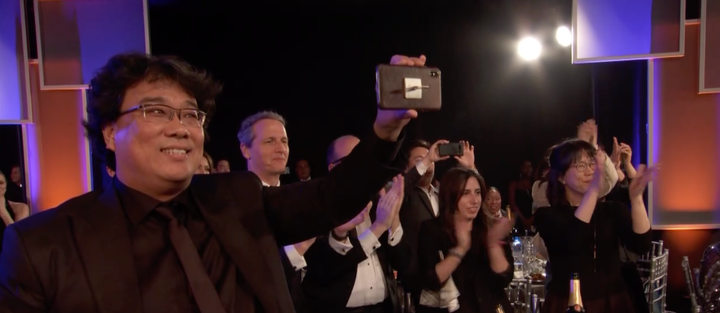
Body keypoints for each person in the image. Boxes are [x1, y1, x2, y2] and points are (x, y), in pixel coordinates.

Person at [0, 53, 426, 313]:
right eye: (156, 111)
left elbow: (331, 198)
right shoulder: (43, 245)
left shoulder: (237, 198)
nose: (181, 127)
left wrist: (385, 131)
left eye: (190, 114)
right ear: (110, 132)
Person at [534, 139, 654, 313]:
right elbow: (574, 240)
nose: (590, 171)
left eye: (592, 164)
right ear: (561, 177)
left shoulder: (612, 210)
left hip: (614, 302)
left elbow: (641, 244)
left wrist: (636, 199)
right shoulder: (547, 216)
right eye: (581, 166)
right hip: (568, 303)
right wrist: (594, 191)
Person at [416, 168, 513, 313]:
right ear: (450, 196)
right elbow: (431, 281)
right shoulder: (432, 229)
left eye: (478, 192)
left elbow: (505, 278)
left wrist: (493, 246)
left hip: (491, 307)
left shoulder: (490, 227)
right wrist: (460, 250)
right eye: (465, 193)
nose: (474, 200)